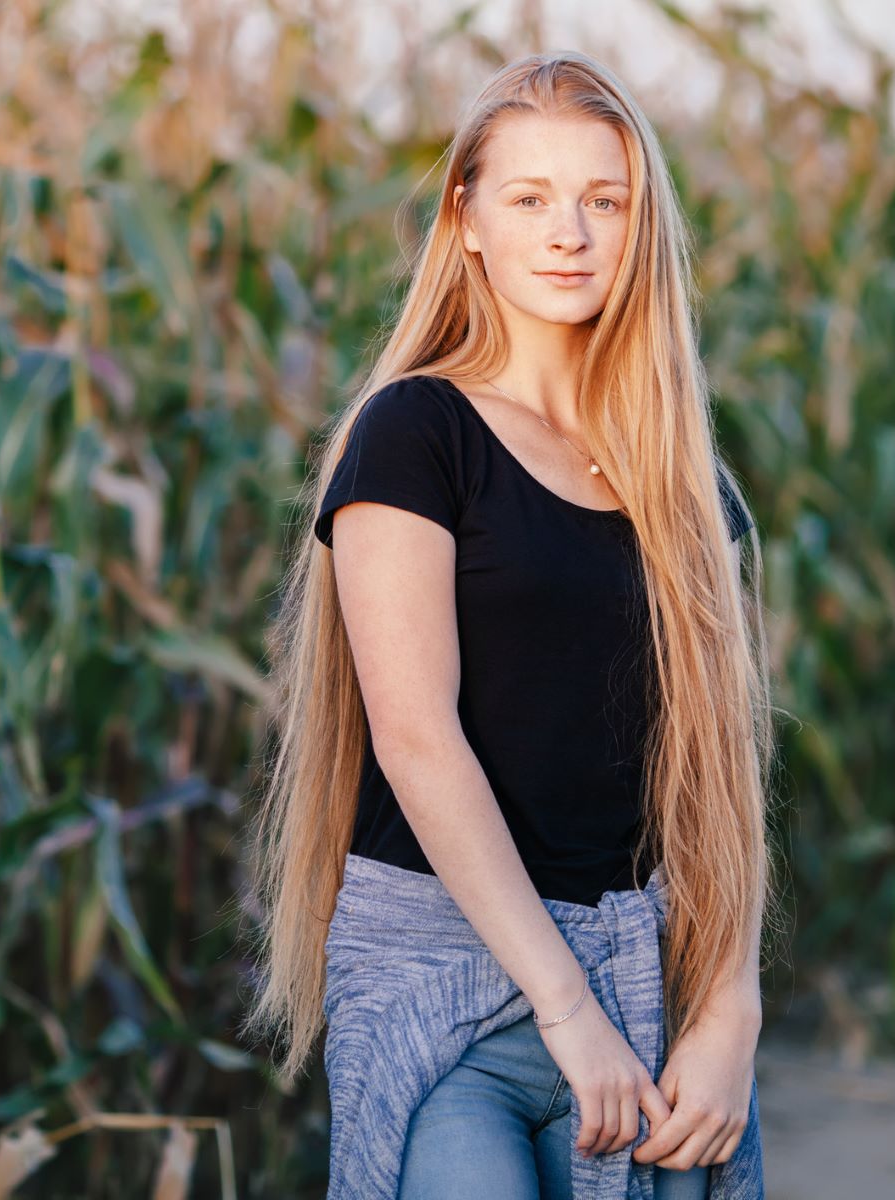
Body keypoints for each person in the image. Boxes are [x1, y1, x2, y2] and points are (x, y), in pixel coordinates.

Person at [239, 50, 777, 1200]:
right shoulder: (416, 434)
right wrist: (566, 1011)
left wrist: (731, 1010)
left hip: (650, 987)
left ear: (643, 228)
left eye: (605, 200)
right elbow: (417, 734)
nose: (569, 232)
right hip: (449, 991)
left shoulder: (684, 480)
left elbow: (721, 774)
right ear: (467, 219)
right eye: (529, 198)